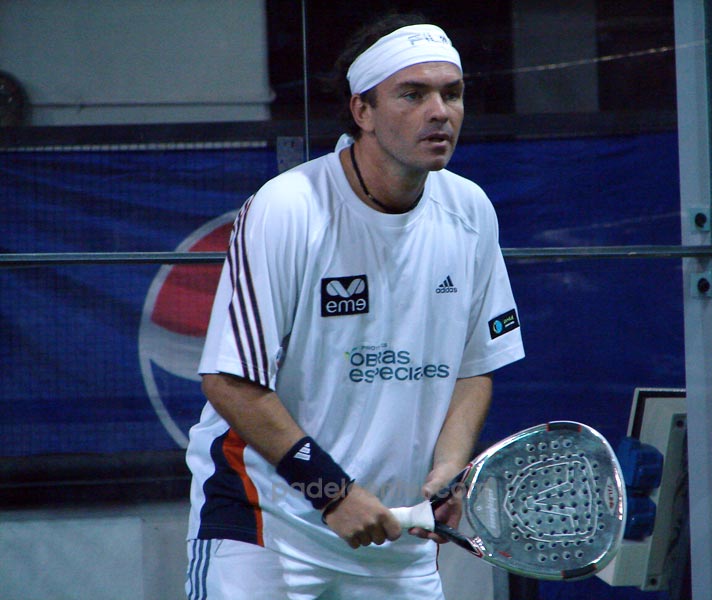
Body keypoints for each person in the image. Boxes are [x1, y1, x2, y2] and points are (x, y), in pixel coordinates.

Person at [184, 12, 525, 600]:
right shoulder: (287, 208)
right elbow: (229, 381)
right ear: (362, 110)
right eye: (412, 94)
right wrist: (332, 493)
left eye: (452, 93)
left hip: (396, 541)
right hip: (267, 530)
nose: (439, 112)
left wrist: (449, 468)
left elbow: (475, 367)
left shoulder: (471, 211)